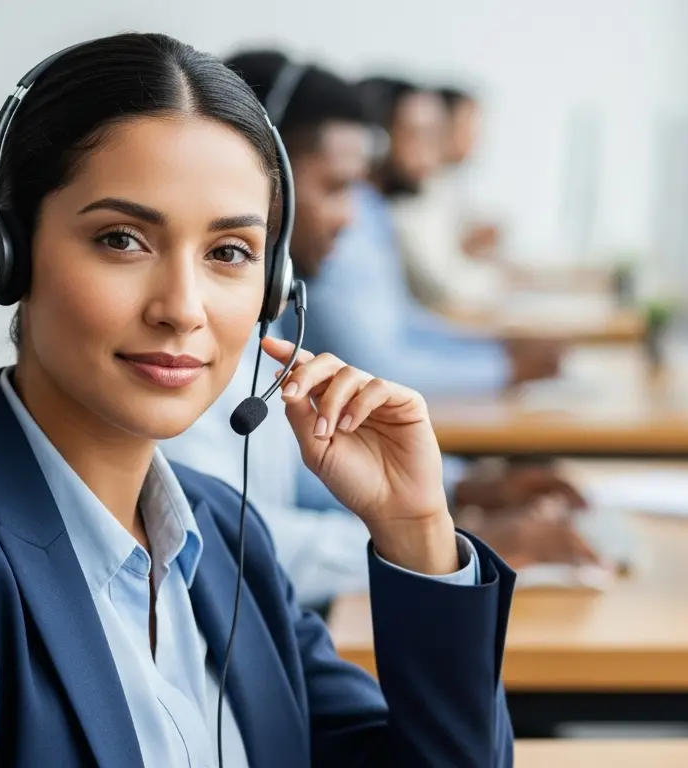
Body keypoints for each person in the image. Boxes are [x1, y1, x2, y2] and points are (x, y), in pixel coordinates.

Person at [0, 34, 514, 767]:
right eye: (123, 239)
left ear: (274, 290)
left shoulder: (226, 537)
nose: (182, 309)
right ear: (10, 251)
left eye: (229, 253)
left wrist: (415, 532)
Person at [164, 51, 593, 608]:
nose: (352, 215)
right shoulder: (174, 349)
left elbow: (294, 477)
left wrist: (456, 492)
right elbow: (228, 544)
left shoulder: (257, 330)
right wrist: (446, 543)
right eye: (336, 188)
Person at [286, 76, 562, 397]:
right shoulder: (334, 232)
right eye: (419, 136)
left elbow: (403, 323)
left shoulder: (372, 211)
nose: (433, 152)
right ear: (377, 144)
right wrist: (502, 366)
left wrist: (495, 348)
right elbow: (376, 365)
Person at [389, 86, 505, 310]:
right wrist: (498, 281)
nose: (475, 139)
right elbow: (441, 288)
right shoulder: (399, 206)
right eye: (468, 127)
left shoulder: (438, 190)